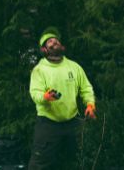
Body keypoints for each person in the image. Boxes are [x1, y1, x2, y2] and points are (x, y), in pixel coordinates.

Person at [28, 27, 96, 170]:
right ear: (44, 50)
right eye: (50, 42)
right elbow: (35, 93)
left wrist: (90, 104)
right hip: (48, 124)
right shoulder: (39, 70)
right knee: (39, 164)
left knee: (78, 161)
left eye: (56, 41)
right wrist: (45, 97)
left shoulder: (74, 67)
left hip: (73, 122)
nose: (55, 43)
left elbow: (86, 88)